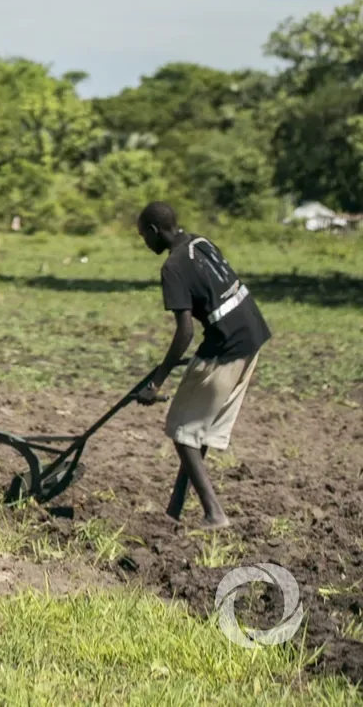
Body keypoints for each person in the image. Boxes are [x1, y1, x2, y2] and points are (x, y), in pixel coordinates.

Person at [134, 201, 271, 529]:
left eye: (143, 237)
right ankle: (174, 511)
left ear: (155, 231)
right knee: (195, 431)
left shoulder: (173, 267)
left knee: (182, 432)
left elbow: (185, 331)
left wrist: (156, 381)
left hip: (227, 344)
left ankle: (214, 513)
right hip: (252, 333)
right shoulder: (200, 243)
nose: (144, 243)